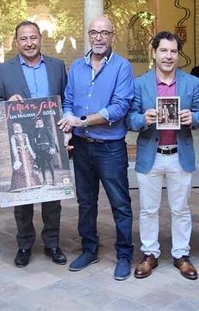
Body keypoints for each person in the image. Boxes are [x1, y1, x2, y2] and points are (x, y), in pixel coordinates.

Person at [58, 16, 135, 281]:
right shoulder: (77, 67)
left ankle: (124, 255)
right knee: (86, 202)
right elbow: (67, 100)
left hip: (110, 148)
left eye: (104, 32)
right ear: (88, 36)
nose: (99, 37)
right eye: (94, 32)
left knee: (120, 203)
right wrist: (70, 121)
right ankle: (89, 249)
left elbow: (120, 106)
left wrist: (81, 121)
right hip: (81, 146)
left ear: (113, 35)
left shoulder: (123, 68)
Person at [126, 31, 199, 280]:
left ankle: (181, 254)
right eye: (163, 50)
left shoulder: (191, 83)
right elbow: (130, 118)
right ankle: (150, 253)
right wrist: (143, 119)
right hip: (151, 154)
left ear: (178, 54)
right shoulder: (140, 83)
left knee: (181, 209)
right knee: (149, 210)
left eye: (173, 51)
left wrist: (192, 118)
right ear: (154, 53)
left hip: (179, 154)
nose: (168, 56)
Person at [0, 20, 68, 268]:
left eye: (33, 37)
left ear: (40, 38)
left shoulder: (57, 67)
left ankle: (52, 243)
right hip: (21, 136)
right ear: (16, 42)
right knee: (23, 195)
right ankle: (24, 244)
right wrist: (6, 104)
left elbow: (66, 102)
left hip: (47, 135)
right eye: (23, 39)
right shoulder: (4, 70)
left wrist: (67, 132)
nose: (29, 43)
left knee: (52, 193)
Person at [9, 122, 42, 191]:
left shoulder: (25, 135)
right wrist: (16, 157)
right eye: (16, 127)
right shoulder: (13, 137)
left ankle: (33, 184)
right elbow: (13, 147)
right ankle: (22, 186)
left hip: (27, 154)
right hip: (19, 155)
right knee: (21, 170)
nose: (18, 128)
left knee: (30, 168)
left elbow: (28, 145)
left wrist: (32, 153)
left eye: (19, 127)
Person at [33, 118, 57, 185]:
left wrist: (52, 148)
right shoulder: (35, 131)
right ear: (36, 123)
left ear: (42, 123)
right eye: (37, 122)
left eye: (40, 122)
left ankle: (53, 180)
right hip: (39, 150)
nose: (39, 123)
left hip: (47, 149)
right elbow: (34, 142)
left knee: (50, 165)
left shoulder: (46, 129)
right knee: (42, 165)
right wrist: (34, 151)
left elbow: (51, 139)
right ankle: (44, 180)